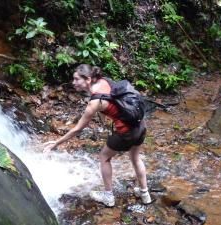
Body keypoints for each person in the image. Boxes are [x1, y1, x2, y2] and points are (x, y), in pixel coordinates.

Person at [44, 64, 152, 207]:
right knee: (135, 158)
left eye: (76, 79)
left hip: (126, 132)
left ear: (88, 79)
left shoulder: (95, 102)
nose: (73, 82)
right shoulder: (104, 81)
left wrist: (56, 143)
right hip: (140, 124)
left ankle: (108, 196)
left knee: (104, 157)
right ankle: (145, 194)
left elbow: (77, 129)